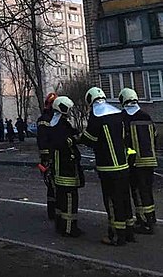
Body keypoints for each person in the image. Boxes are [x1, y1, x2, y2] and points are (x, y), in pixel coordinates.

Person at [80, 87, 134, 246]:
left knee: (112, 201)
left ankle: (116, 236)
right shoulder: (117, 112)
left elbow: (89, 139)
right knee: (124, 199)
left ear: (90, 100)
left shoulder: (96, 115)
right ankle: (129, 232)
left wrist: (79, 138)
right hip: (123, 164)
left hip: (108, 167)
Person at [119, 87, 157, 234]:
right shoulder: (146, 116)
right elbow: (154, 135)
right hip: (149, 160)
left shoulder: (125, 118)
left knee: (138, 192)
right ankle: (151, 218)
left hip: (135, 162)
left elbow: (123, 140)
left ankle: (144, 222)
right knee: (147, 190)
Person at [49, 96, 84, 237]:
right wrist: (77, 138)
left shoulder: (56, 123)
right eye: (68, 109)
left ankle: (61, 225)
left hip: (60, 167)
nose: (70, 111)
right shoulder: (60, 126)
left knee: (61, 199)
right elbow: (65, 142)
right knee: (69, 198)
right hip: (66, 168)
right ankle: (69, 228)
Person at [37, 91, 58, 220]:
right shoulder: (45, 120)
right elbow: (43, 142)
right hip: (50, 159)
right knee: (52, 186)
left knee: (53, 186)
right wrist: (46, 159)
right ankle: (53, 212)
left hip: (54, 157)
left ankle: (54, 211)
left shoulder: (52, 118)